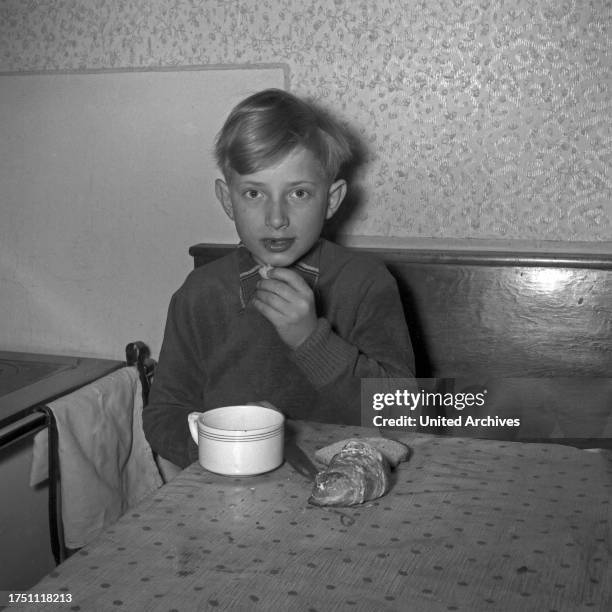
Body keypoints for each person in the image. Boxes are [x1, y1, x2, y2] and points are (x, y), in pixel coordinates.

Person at [143, 88, 415, 469]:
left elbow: (403, 412)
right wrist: (222, 441)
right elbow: (163, 415)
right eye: (254, 193)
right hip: (229, 491)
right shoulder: (201, 293)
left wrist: (310, 341)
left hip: (348, 484)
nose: (276, 218)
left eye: (299, 193)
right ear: (226, 199)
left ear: (332, 200)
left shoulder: (366, 283)